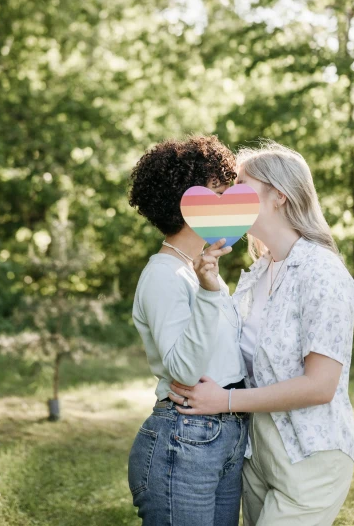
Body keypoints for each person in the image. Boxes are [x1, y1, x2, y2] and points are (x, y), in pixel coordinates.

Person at [167, 141, 354, 526]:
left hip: (311, 455)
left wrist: (224, 401)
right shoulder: (258, 273)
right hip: (256, 454)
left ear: (279, 196)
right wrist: (209, 288)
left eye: (241, 183)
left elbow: (320, 386)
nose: (227, 194)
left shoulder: (323, 273)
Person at [127, 135, 250, 526]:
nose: (232, 202)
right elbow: (182, 370)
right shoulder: (163, 276)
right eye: (220, 193)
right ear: (186, 203)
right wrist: (210, 294)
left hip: (225, 434)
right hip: (185, 438)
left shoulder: (197, 269)